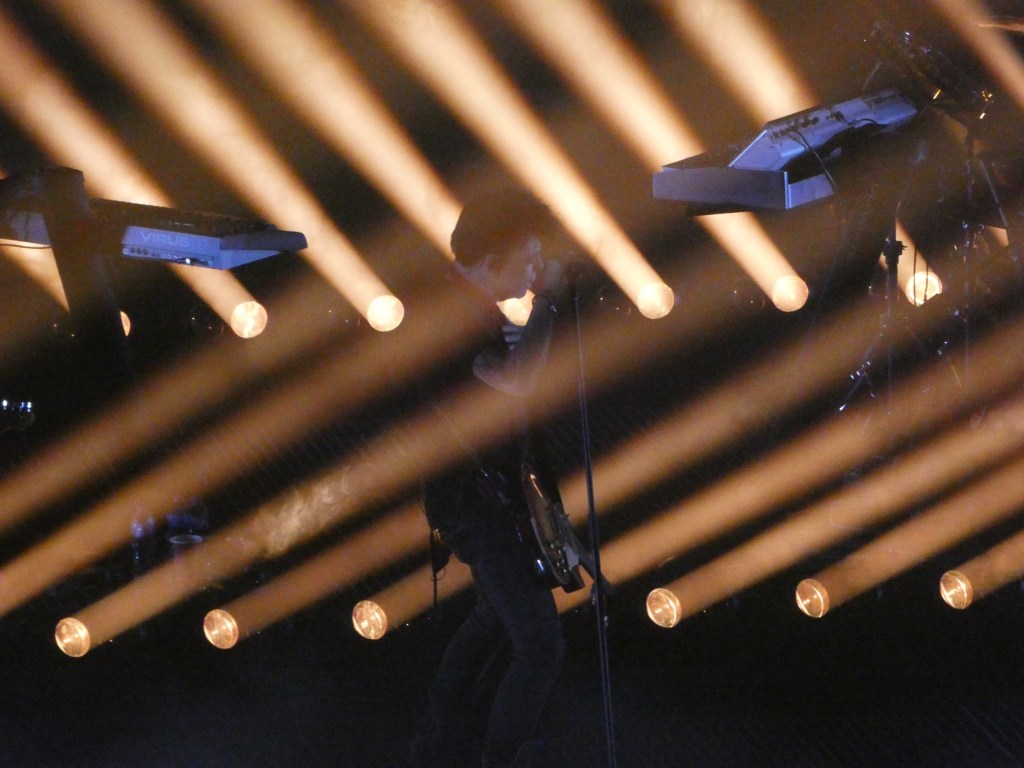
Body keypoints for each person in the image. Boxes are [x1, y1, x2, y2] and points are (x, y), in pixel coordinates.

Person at [411, 189, 573, 768]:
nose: (536, 269)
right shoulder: (451, 314)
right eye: (527, 258)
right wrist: (548, 304)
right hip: (474, 504)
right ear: (491, 258)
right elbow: (516, 384)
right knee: (539, 645)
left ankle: (436, 743)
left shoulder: (472, 308)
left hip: (488, 499)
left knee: (490, 619)